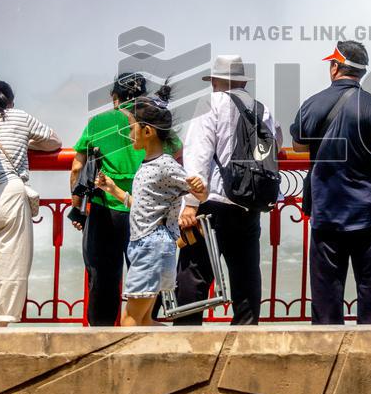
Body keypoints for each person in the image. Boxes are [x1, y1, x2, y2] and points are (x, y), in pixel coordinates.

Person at [290, 41, 371, 325]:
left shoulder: (311, 104)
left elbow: (297, 145)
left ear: (334, 67)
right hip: (368, 213)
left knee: (326, 293)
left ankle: (328, 353)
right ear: (362, 72)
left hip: (326, 213)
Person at [175, 55, 280, 326]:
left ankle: (187, 335)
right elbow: (275, 143)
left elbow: (198, 154)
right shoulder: (261, 109)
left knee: (195, 271)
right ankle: (245, 334)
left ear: (217, 81)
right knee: (245, 273)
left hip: (212, 203)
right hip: (249, 202)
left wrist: (190, 203)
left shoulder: (210, 104)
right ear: (244, 81)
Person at [70, 73, 179, 326]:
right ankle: (145, 327)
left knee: (103, 276)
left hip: (105, 208)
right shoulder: (151, 121)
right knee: (148, 277)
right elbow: (174, 150)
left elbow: (77, 167)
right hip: (147, 212)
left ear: (114, 97)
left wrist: (77, 209)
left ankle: (102, 336)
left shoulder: (99, 122)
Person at [96, 87, 209, 326]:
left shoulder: (164, 165)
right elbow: (143, 206)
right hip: (148, 247)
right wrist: (113, 189)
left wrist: (200, 186)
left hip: (151, 248)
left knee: (131, 320)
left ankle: (127, 363)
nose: (129, 134)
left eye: (132, 128)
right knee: (145, 320)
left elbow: (200, 192)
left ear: (147, 131)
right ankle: (175, 352)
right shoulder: (149, 164)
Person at [0, 80, 61, 326]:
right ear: (11, 101)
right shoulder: (20, 117)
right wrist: (26, 141)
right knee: (11, 263)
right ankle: (0, 324)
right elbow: (54, 142)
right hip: (9, 193)